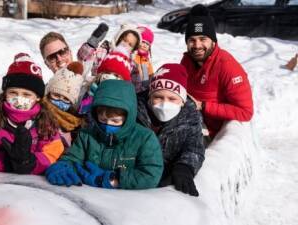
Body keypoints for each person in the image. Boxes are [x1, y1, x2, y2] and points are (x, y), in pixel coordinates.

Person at [45, 80, 164, 189]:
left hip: (128, 201)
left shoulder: (144, 138)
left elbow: (151, 173)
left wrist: (114, 179)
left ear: (129, 117)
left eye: (115, 121)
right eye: (103, 119)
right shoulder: (87, 135)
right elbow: (73, 157)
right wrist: (63, 166)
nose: (108, 125)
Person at [0, 53, 64, 174]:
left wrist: (30, 163)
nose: (19, 99)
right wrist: (9, 163)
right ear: (5, 93)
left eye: (26, 94)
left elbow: (53, 155)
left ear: (38, 97)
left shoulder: (46, 122)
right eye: (13, 92)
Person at [180, 4, 253, 139]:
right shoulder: (186, 61)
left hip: (209, 134)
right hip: (186, 124)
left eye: (203, 39)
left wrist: (204, 106)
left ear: (213, 41)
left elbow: (245, 112)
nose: (197, 45)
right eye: (192, 40)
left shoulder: (227, 66)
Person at [137, 63, 205, 196]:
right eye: (158, 97)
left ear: (183, 101)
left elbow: (194, 146)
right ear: (149, 97)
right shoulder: (136, 110)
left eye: (172, 98)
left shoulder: (190, 116)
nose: (164, 104)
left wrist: (185, 167)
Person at [42, 61, 85, 148]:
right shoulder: (39, 114)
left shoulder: (75, 124)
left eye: (66, 99)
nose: (60, 101)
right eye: (56, 95)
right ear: (48, 93)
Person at [133, 25, 155, 92]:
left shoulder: (146, 61)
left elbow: (151, 75)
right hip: (131, 86)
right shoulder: (132, 55)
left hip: (143, 89)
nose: (144, 45)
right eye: (143, 42)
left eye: (147, 44)